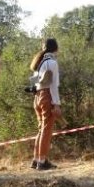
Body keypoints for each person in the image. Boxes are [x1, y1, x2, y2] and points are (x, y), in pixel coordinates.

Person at [29, 38, 62, 170]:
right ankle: (42, 162)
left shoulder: (40, 63)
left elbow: (34, 82)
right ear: (56, 48)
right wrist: (56, 104)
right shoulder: (52, 62)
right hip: (47, 96)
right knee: (46, 130)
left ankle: (36, 159)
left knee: (41, 129)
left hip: (37, 97)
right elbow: (53, 85)